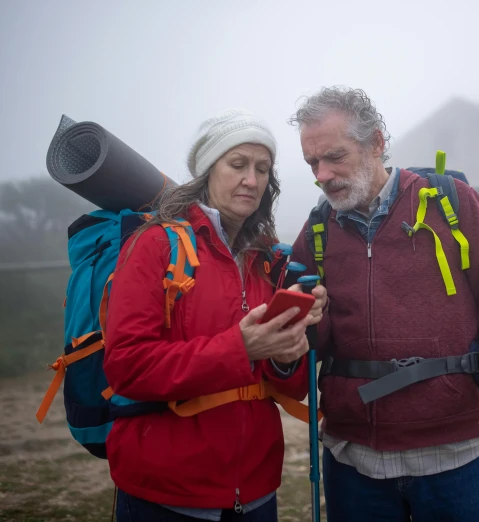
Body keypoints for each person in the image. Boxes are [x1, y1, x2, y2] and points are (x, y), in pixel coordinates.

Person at [287, 87, 479, 521]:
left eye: (334, 157)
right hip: (353, 461)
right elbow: (311, 344)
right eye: (312, 163)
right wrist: (307, 321)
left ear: (377, 143)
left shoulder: (450, 203)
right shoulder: (317, 231)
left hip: (456, 454)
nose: (322, 175)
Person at [102, 109, 327, 522]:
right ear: (207, 171)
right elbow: (126, 367)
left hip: (258, 489)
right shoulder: (154, 245)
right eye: (237, 165)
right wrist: (240, 348)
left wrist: (284, 350)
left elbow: (292, 388)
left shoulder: (268, 260)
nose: (252, 180)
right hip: (167, 492)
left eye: (262, 169)